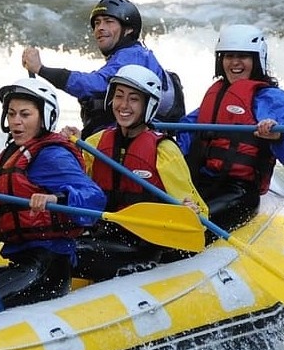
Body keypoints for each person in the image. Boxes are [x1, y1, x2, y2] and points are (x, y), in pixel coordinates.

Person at [0, 78, 107, 330]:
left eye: (25, 114)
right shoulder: (10, 155)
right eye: (12, 113)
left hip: (48, 268)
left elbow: (93, 198)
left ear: (44, 117)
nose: (16, 121)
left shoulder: (52, 155)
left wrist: (56, 198)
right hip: (21, 262)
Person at [67, 64, 208, 281]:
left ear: (148, 105)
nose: (123, 105)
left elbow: (198, 213)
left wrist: (188, 211)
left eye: (133, 99)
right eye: (119, 96)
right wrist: (65, 146)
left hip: (142, 244)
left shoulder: (164, 151)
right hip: (103, 233)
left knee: (66, 254)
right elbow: (74, 179)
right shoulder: (96, 143)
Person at [177, 25, 284, 231]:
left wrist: (278, 137)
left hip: (239, 191)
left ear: (257, 60)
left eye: (243, 56)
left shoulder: (274, 99)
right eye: (229, 56)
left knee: (189, 226)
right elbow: (183, 131)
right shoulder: (217, 95)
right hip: (201, 182)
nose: (235, 62)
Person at [22, 0, 185, 138]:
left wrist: (41, 69)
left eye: (109, 22)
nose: (100, 28)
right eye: (97, 23)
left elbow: (93, 85)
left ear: (128, 30)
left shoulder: (134, 56)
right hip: (119, 137)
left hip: (139, 141)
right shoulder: (128, 55)